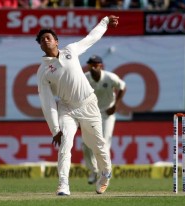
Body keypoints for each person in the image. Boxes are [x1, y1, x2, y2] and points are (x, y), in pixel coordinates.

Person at [36, 15, 119, 196]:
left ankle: (105, 173)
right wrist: (54, 129)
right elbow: (47, 101)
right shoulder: (42, 72)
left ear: (56, 41)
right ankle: (63, 184)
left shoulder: (71, 50)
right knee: (66, 143)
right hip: (67, 108)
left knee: (96, 144)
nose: (45, 40)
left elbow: (91, 38)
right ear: (40, 46)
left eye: (48, 37)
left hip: (88, 104)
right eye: (42, 40)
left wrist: (105, 22)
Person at [82, 55, 126, 184]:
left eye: (96, 64)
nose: (94, 66)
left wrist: (116, 105)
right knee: (86, 144)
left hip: (107, 113)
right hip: (90, 113)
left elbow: (122, 87)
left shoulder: (109, 77)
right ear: (88, 66)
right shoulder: (84, 78)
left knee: (104, 143)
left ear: (101, 66)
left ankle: (104, 173)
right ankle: (93, 171)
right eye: (91, 64)